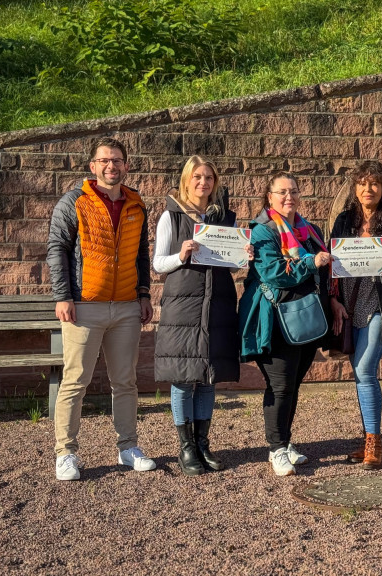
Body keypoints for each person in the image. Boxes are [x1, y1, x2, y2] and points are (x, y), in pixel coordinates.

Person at [47, 137, 155, 481]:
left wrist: (143, 293)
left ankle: (128, 447)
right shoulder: (73, 202)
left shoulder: (136, 204)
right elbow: (57, 249)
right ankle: (66, 453)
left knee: (125, 381)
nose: (112, 166)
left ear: (126, 165)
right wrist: (63, 295)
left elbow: (141, 254)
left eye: (118, 160)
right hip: (83, 306)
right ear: (92, 166)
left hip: (125, 307)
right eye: (105, 160)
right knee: (75, 381)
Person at [154, 156, 250, 476]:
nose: (203, 183)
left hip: (217, 304)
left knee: (208, 377)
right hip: (183, 304)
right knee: (183, 377)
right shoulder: (171, 216)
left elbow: (229, 264)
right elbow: (158, 264)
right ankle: (186, 448)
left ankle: (203, 443)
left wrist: (242, 256)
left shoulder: (223, 218)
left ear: (215, 182)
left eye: (209, 177)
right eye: (197, 176)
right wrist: (180, 255)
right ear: (186, 180)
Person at [238, 171, 332, 476]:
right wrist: (310, 262)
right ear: (269, 197)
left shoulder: (310, 230)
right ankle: (276, 449)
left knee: (292, 384)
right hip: (275, 318)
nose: (288, 197)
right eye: (282, 192)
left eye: (293, 191)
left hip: (305, 316)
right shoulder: (262, 231)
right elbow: (275, 273)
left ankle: (286, 442)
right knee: (279, 385)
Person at [329, 161, 382, 470]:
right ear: (355, 188)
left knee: (364, 369)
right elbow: (332, 265)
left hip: (378, 304)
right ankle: (369, 438)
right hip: (348, 305)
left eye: (375, 183)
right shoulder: (343, 220)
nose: (368, 189)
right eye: (363, 183)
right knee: (361, 372)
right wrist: (333, 299)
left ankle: (374, 441)